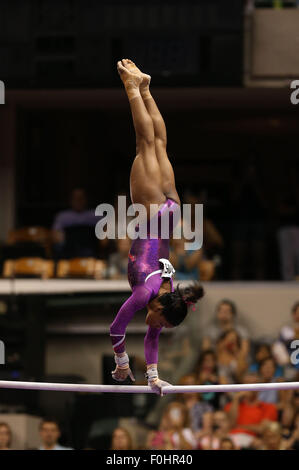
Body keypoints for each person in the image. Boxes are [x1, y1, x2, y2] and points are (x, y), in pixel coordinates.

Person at [109, 59, 204, 395]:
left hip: (170, 211)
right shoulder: (144, 296)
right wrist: (122, 363)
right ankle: (132, 87)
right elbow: (116, 329)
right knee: (145, 143)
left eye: (161, 326)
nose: (156, 327)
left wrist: (152, 376)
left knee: (160, 145)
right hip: (152, 211)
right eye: (161, 323)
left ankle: (147, 88)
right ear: (161, 309)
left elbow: (149, 339)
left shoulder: (169, 294)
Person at [224, 372, 278, 449]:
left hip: (252, 442)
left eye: (253, 383)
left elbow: (262, 429)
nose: (249, 387)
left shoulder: (268, 407)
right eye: (247, 383)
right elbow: (231, 425)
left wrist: (239, 427)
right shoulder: (232, 405)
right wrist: (236, 398)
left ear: (260, 387)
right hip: (231, 440)